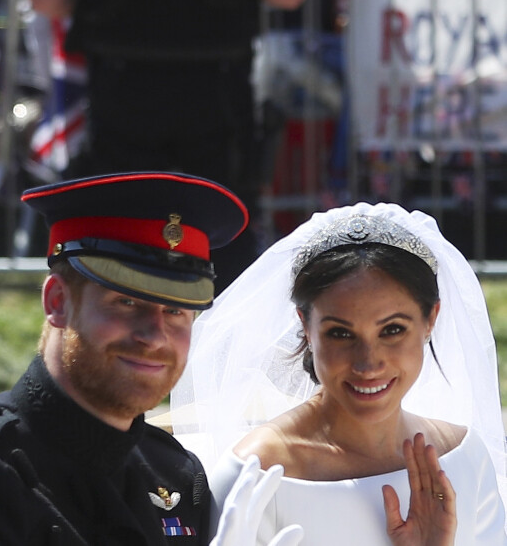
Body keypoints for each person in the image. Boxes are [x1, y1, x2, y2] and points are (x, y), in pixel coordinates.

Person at [0, 171, 303, 546]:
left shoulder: (177, 476)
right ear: (58, 302)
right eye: (127, 302)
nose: (154, 336)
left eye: (176, 312)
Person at [171, 202, 507, 544]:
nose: (368, 363)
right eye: (341, 333)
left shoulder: (464, 456)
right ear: (305, 327)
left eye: (392, 330)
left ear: (430, 320)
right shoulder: (258, 475)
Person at [25, 0, 305, 293]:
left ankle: (118, 313)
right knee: (225, 213)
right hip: (216, 88)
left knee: (121, 214)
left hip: (124, 85)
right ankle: (225, 327)